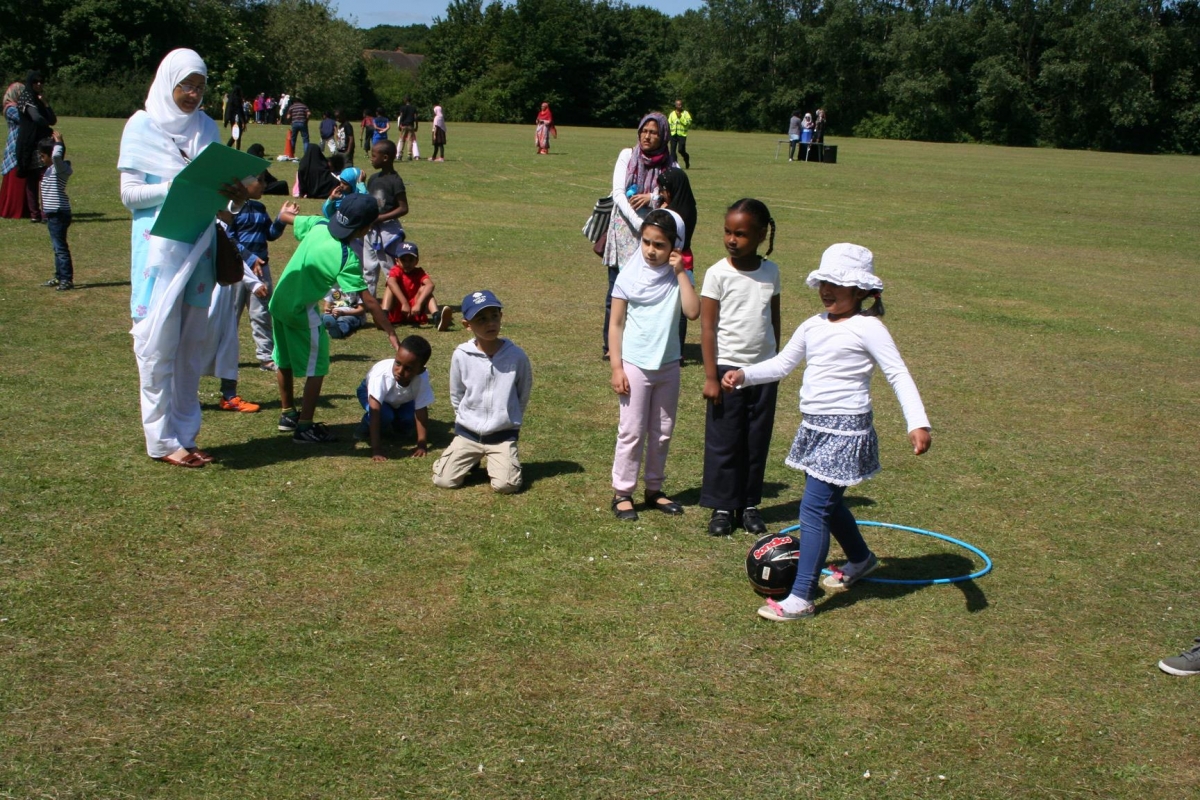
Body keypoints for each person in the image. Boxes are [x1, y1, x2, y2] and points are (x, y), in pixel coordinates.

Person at [722, 243, 932, 621]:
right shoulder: (813, 325)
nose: (826, 290)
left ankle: (801, 596)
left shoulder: (869, 327)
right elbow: (782, 364)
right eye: (823, 282)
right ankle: (861, 559)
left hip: (845, 431)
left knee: (814, 509)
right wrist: (744, 375)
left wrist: (917, 421)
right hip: (814, 429)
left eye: (837, 283)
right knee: (827, 505)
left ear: (860, 290)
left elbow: (898, 374)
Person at [119, 48, 249, 468]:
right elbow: (129, 195)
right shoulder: (142, 126)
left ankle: (186, 434)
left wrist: (235, 198)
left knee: (191, 347)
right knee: (157, 346)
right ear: (167, 83)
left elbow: (219, 202)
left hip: (200, 248)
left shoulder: (206, 128)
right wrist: (175, 185)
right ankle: (161, 441)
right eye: (185, 86)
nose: (193, 94)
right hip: (158, 252)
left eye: (200, 87)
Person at [270, 194, 401, 443]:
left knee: (283, 360)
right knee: (317, 367)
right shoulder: (346, 257)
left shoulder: (319, 224)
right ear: (365, 228)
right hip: (301, 311)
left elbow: (286, 217)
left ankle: (288, 414)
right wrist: (391, 332)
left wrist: (284, 214)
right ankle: (305, 427)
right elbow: (369, 301)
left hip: (278, 302)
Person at [608, 209, 700, 521]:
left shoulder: (679, 276)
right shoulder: (629, 275)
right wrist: (617, 368)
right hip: (635, 365)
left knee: (662, 431)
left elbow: (692, 312)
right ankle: (622, 493)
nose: (650, 250)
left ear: (675, 246)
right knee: (632, 432)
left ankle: (654, 488)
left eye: (659, 245)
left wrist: (681, 273)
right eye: (646, 242)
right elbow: (616, 324)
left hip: (668, 365)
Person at [700, 199, 782, 536]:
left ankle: (749, 504)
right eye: (727, 232)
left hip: (762, 372)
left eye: (741, 234)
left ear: (761, 235)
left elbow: (774, 320)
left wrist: (775, 364)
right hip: (727, 371)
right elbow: (707, 329)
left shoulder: (771, 272)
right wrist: (711, 377)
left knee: (756, 439)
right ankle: (722, 506)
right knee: (725, 439)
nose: (732, 240)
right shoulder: (717, 273)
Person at [432, 290, 532, 493]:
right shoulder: (461, 355)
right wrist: (464, 420)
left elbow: (523, 392)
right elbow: (456, 393)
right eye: (481, 319)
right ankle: (464, 458)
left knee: (506, 485)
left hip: (501, 436)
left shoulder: (516, 356)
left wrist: (509, 420)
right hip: (468, 435)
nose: (490, 324)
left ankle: (501, 460)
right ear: (467, 324)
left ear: (501, 317)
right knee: (443, 481)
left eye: (494, 316)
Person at [602, 112, 676, 359]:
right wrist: (638, 223)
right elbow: (618, 193)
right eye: (644, 131)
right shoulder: (627, 155)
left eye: (653, 132)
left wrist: (652, 198)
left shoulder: (671, 165)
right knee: (617, 288)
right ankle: (610, 346)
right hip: (624, 230)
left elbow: (674, 194)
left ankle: (640, 343)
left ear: (663, 136)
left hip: (654, 236)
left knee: (646, 289)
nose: (647, 136)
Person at [225, 181, 291, 371]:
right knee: (230, 314)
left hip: (261, 269)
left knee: (261, 314)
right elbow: (228, 237)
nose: (263, 185)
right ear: (246, 184)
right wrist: (249, 257)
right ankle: (223, 357)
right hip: (237, 269)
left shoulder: (259, 208)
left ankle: (266, 357)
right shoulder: (231, 209)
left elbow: (270, 234)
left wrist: (281, 219)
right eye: (259, 181)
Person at [201, 220, 265, 414]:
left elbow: (232, 257)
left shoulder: (220, 227)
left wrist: (253, 283)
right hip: (203, 296)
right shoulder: (202, 224)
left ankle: (229, 396)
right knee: (195, 344)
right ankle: (180, 396)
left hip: (224, 297)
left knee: (229, 345)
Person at [356, 335, 435, 461]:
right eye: (397, 363)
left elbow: (421, 410)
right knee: (385, 415)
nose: (400, 371)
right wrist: (376, 449)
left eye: (408, 368)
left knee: (407, 420)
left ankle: (395, 424)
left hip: (402, 398)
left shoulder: (421, 377)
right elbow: (375, 410)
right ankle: (365, 427)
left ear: (420, 370)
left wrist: (422, 445)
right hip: (369, 393)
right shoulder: (381, 376)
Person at [657, 167, 697, 355]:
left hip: (672, 262)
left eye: (663, 189)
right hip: (686, 259)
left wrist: (661, 210)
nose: (661, 193)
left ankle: (671, 349)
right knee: (680, 310)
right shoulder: (689, 205)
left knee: (671, 308)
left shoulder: (672, 214)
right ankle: (678, 350)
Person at [361, 139, 408, 297]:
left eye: (374, 156)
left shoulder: (395, 181)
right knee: (368, 268)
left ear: (386, 158)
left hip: (388, 231)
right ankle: (369, 301)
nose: (371, 159)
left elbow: (403, 208)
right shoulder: (373, 178)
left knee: (390, 268)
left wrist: (380, 218)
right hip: (370, 230)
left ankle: (395, 303)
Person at [383, 240, 453, 330]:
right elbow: (391, 282)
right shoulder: (396, 270)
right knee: (390, 287)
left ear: (416, 261)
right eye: (403, 260)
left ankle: (437, 317)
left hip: (414, 311)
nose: (407, 263)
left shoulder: (419, 272)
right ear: (397, 261)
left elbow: (430, 285)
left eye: (411, 260)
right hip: (397, 310)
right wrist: (404, 303)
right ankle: (383, 315)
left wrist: (418, 304)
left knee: (425, 289)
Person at [16, 72, 56, 223]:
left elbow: (53, 119)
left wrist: (46, 104)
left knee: (45, 178)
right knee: (34, 179)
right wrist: (47, 127)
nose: (39, 84)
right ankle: (36, 214)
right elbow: (36, 117)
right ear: (30, 83)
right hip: (30, 143)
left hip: (42, 142)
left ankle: (44, 213)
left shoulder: (39, 99)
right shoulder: (26, 97)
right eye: (35, 82)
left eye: (41, 81)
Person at [37, 132, 73, 290]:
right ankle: (59, 276)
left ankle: (66, 279)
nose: (41, 159)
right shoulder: (50, 169)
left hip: (59, 213)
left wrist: (58, 142)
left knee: (60, 248)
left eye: (43, 155)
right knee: (57, 248)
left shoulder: (60, 168)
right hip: (52, 214)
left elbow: (57, 157)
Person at [1, 80, 29, 220]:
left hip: (22, 144)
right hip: (15, 145)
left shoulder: (18, 108)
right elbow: (25, 120)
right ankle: (12, 209)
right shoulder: (11, 108)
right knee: (15, 177)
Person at [667, 99, 692, 169]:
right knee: (672, 151)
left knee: (681, 150)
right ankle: (675, 165)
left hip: (682, 134)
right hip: (673, 134)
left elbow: (688, 123)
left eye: (681, 104)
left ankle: (686, 158)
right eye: (678, 105)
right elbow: (669, 123)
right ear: (675, 105)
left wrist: (680, 117)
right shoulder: (672, 114)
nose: (680, 106)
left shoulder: (685, 113)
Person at [225, 85, 245, 150]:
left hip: (232, 119)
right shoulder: (237, 99)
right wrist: (243, 121)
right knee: (237, 135)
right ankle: (235, 149)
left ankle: (228, 148)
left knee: (235, 135)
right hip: (237, 119)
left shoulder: (231, 99)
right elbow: (239, 110)